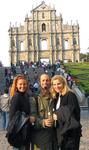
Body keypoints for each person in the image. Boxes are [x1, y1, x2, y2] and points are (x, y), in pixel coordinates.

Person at [50, 75, 82, 150]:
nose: (56, 86)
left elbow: (72, 112)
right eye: (54, 84)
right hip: (63, 132)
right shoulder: (58, 96)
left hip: (71, 133)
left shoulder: (70, 95)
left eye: (59, 84)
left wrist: (57, 115)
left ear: (64, 83)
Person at [31, 73, 58, 150]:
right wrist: (43, 122)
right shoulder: (34, 98)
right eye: (43, 80)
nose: (45, 82)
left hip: (53, 137)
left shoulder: (55, 97)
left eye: (47, 80)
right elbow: (33, 118)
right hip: (40, 138)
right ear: (40, 82)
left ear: (50, 82)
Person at [9, 74, 35, 150]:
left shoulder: (26, 95)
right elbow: (13, 117)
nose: (22, 86)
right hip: (19, 133)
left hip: (25, 133)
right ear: (16, 85)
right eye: (20, 84)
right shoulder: (17, 96)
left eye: (24, 84)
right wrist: (28, 118)